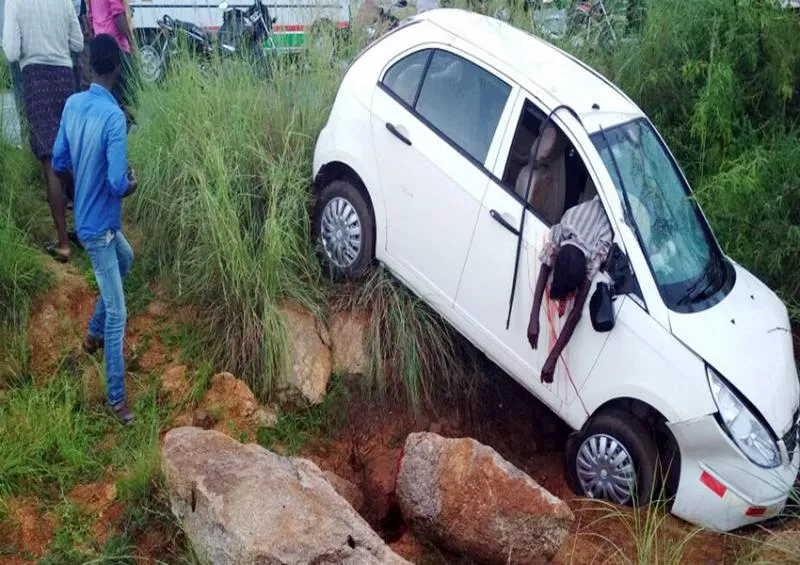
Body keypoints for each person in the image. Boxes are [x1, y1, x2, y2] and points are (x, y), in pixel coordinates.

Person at [52, 34, 138, 425]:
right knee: (119, 311)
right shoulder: (114, 116)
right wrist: (130, 183)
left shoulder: (72, 104)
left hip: (88, 222)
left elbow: (58, 159)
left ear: (89, 66)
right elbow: (119, 182)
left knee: (127, 259)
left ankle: (91, 336)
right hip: (98, 229)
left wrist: (81, 186)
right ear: (117, 71)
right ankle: (117, 399)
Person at [2, 0, 83, 262]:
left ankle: (63, 244)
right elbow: (78, 43)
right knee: (69, 156)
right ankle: (83, 230)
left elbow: (12, 52)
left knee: (50, 161)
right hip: (64, 77)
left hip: (36, 78)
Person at [527, 195, 612, 383]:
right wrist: (533, 318)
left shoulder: (598, 250)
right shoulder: (568, 223)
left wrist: (553, 357)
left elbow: (576, 313)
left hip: (614, 209)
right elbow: (545, 266)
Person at [89, 0, 136, 124]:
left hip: (99, 46)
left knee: (106, 98)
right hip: (116, 47)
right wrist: (132, 43)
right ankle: (123, 133)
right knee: (125, 101)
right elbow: (118, 15)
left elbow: (91, 16)